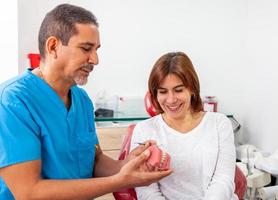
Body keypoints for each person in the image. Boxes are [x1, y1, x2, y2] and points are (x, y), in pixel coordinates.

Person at [0, 4, 171, 199]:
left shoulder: (81, 100)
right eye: (86, 48)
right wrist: (121, 181)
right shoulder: (13, 101)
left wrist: (126, 165)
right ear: (53, 46)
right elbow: (28, 192)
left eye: (96, 49)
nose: (95, 59)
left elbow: (95, 160)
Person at [130, 52, 238, 200]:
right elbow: (146, 191)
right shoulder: (144, 130)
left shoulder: (219, 123)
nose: (171, 99)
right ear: (154, 94)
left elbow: (224, 180)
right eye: (163, 92)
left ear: (192, 89)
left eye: (178, 90)